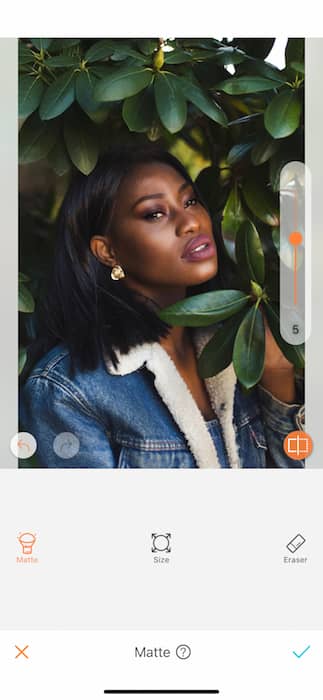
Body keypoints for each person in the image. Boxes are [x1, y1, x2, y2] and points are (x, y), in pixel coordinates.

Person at [20, 145, 304, 468]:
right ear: (107, 251)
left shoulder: (240, 347)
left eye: (190, 201)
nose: (190, 223)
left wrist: (277, 377)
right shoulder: (67, 391)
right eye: (155, 213)